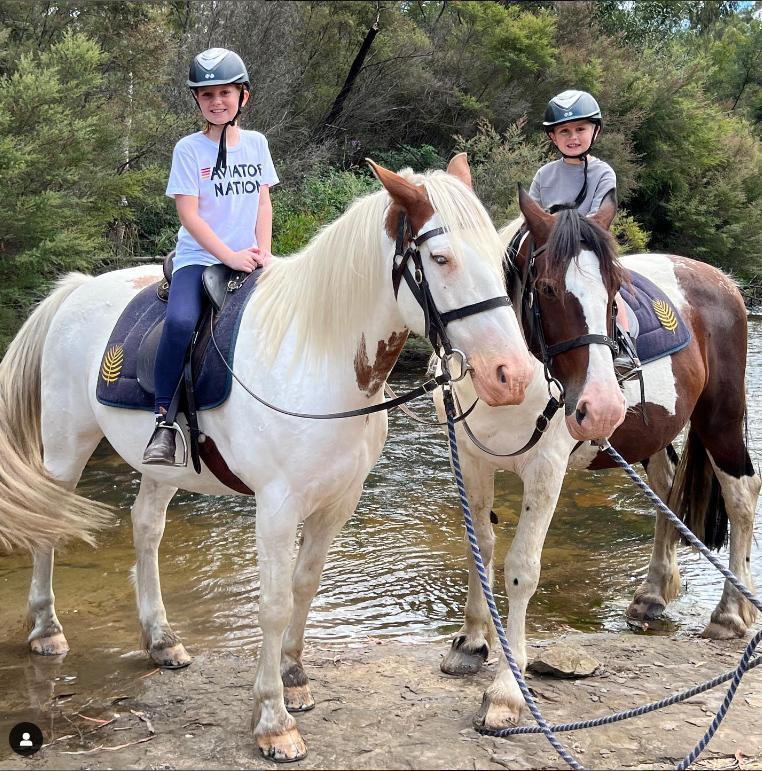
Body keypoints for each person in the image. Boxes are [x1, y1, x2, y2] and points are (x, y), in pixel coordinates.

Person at [143, 47, 279, 465]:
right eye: (207, 95)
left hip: (250, 257)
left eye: (225, 93)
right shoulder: (188, 149)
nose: (216, 102)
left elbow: (262, 203)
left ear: (243, 97)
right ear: (197, 101)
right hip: (199, 258)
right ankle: (164, 420)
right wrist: (229, 256)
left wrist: (265, 253)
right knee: (182, 321)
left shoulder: (256, 144)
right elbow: (189, 214)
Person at [529, 89, 638, 376]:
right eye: (564, 131)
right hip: (553, 256)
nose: (573, 137)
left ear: (595, 131)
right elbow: (533, 219)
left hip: (589, 252)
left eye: (580, 129)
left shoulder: (603, 173)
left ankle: (624, 346)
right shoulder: (543, 175)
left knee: (613, 293)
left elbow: (599, 219)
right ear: (553, 137)